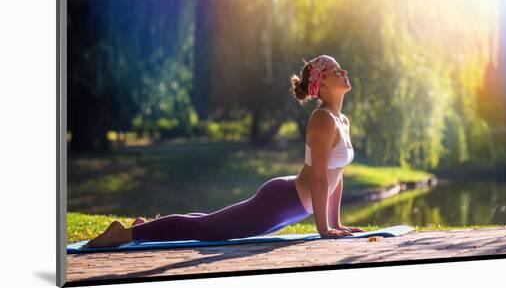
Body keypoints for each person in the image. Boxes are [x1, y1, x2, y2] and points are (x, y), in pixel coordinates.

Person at [83, 54, 366, 248]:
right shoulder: (322, 120)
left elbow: (334, 177)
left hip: (290, 208)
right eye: (336, 70)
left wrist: (337, 223)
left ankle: (148, 228)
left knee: (211, 223)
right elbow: (318, 178)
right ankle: (125, 234)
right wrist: (324, 229)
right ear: (323, 84)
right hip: (281, 202)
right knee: (206, 231)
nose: (345, 72)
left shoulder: (342, 120)